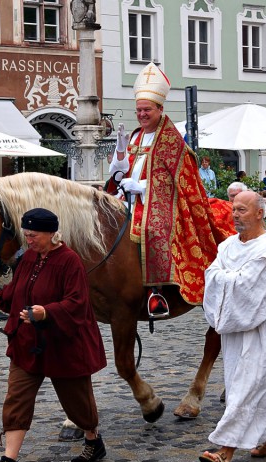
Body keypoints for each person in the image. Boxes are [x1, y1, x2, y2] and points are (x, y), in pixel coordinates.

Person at [0, 208, 107, 462]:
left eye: (33, 235)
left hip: (64, 344)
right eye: (26, 235)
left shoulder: (70, 261)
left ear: (51, 233)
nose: (29, 240)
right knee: (17, 398)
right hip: (27, 342)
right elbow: (20, 285)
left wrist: (46, 312)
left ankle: (93, 441)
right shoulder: (29, 257)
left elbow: (77, 303)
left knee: (77, 403)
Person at [106, 62, 225, 318]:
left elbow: (181, 181)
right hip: (125, 198)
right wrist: (119, 150)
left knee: (149, 228)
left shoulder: (171, 139)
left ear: (160, 109)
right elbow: (117, 172)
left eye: (147, 109)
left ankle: (155, 292)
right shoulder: (135, 136)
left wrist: (142, 187)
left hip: (158, 203)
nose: (142, 114)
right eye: (138, 110)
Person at [199, 191, 266, 462]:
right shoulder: (227, 245)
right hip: (234, 328)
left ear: (260, 213)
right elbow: (211, 275)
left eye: (242, 210)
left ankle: (225, 450)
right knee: (264, 380)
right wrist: (228, 277)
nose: (235, 215)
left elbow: (250, 288)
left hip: (261, 328)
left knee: (248, 384)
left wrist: (225, 277)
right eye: (234, 209)